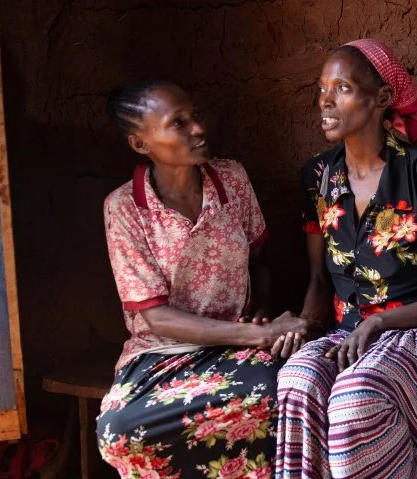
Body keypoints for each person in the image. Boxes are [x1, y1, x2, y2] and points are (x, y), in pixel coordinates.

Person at [274, 40, 417, 479]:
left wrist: (382, 322)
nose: (326, 101)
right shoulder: (318, 176)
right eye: (322, 89)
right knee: (297, 381)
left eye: (343, 87)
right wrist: (300, 323)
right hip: (351, 335)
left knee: (357, 396)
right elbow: (318, 279)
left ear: (382, 99)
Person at [96, 80, 311, 479]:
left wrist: (261, 312)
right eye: (178, 123)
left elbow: (259, 261)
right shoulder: (124, 208)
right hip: (161, 354)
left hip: (236, 350)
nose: (198, 128)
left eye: (195, 114)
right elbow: (156, 318)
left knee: (275, 401)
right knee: (118, 434)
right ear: (141, 144)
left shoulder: (232, 180)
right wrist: (259, 336)